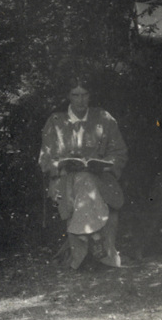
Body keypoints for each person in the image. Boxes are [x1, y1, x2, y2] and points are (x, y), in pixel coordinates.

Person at [40, 79, 128, 269]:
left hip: (101, 177)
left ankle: (82, 255)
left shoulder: (103, 119)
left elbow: (119, 152)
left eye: (84, 94)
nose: (80, 100)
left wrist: (104, 165)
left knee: (87, 179)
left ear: (90, 95)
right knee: (84, 180)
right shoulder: (56, 122)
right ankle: (98, 245)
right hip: (65, 180)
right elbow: (46, 159)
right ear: (68, 96)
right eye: (75, 95)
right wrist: (62, 164)